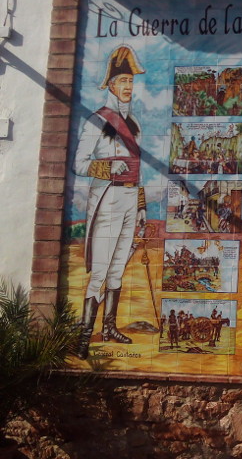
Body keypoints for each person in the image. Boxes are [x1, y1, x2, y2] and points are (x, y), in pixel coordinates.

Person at [73, 45, 146, 360]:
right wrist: (105, 166)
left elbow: (140, 169)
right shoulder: (97, 120)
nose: (128, 87)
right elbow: (78, 163)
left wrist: (142, 205)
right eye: (123, 81)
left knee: (118, 268)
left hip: (129, 197)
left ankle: (110, 327)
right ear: (111, 85)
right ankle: (83, 337)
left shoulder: (135, 124)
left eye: (131, 81)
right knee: (101, 271)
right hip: (107, 197)